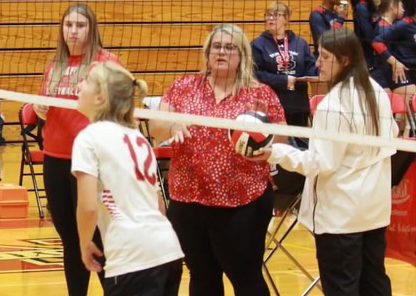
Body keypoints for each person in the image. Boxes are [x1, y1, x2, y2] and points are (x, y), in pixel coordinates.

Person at [251, 28, 398, 296]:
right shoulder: (376, 91)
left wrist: (274, 152)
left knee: (342, 287)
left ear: (346, 61)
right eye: (319, 55)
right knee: (375, 284)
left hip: (340, 218)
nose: (317, 62)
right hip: (374, 213)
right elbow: (394, 138)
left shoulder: (333, 104)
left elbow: (319, 164)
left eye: (325, 57)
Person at [150, 24, 286, 296]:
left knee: (246, 278)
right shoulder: (184, 87)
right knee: (202, 277)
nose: (221, 52)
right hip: (189, 200)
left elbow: (282, 138)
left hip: (242, 202)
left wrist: (266, 149)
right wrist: (172, 125)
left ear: (242, 56)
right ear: (207, 52)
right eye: (217, 46)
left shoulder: (259, 94)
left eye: (229, 47)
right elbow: (155, 127)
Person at [72, 61, 184, 296]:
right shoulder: (138, 138)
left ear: (101, 98)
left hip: (133, 258)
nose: (80, 84)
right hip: (167, 249)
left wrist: (84, 244)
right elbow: (159, 204)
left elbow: (88, 207)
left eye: (89, 80)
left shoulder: (89, 138)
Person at [33, 4, 119, 295]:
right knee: (70, 240)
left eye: (79, 25)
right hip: (54, 159)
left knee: (96, 237)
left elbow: (122, 108)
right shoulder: (55, 65)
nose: (72, 31)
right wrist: (37, 107)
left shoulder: (106, 63)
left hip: (91, 162)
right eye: (68, 25)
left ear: (91, 28)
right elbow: (36, 113)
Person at [252, 1, 318, 148]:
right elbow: (255, 74)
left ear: (287, 19)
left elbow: (311, 67)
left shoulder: (300, 43)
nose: (270, 18)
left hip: (299, 105)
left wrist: (317, 74)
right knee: (277, 148)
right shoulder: (258, 44)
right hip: (273, 105)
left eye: (276, 15)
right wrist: (284, 81)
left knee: (300, 149)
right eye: (268, 15)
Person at [371, 0, 406, 91]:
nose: (403, 10)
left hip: (393, 72)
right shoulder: (382, 27)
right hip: (383, 73)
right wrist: (396, 63)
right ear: (392, 6)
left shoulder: (392, 25)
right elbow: (377, 45)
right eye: (401, 6)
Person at [350, 0, 378, 70]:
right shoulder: (361, 7)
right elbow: (368, 33)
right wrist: (378, 43)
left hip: (367, 49)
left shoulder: (365, 5)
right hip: (366, 50)